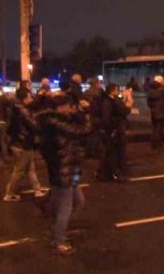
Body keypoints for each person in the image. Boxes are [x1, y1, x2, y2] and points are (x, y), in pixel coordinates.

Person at [37, 94, 91, 256]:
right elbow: (83, 130)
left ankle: (57, 229)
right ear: (60, 107)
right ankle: (58, 240)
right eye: (68, 106)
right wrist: (86, 113)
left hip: (70, 169)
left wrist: (76, 113)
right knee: (66, 207)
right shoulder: (57, 124)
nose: (70, 109)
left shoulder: (55, 121)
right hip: (63, 171)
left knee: (79, 202)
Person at [3, 88, 48, 201]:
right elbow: (34, 126)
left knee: (30, 168)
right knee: (19, 170)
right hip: (23, 143)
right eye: (29, 97)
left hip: (19, 142)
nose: (31, 99)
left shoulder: (15, 109)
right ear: (24, 99)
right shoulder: (23, 111)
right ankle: (9, 193)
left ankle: (37, 189)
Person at [98, 84, 133, 181]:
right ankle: (115, 173)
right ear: (113, 91)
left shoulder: (109, 101)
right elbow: (123, 111)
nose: (118, 92)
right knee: (115, 153)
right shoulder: (110, 102)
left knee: (110, 153)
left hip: (113, 130)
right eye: (117, 90)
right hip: (114, 131)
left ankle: (104, 173)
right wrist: (112, 129)